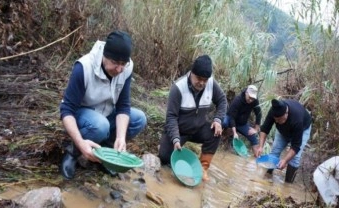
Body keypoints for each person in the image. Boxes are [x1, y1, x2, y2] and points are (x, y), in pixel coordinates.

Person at [59, 30, 147, 180]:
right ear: (104, 56)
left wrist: (120, 137)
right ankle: (72, 152)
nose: (119, 70)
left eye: (123, 64)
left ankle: (106, 153)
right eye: (115, 63)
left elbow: (123, 106)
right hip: (83, 113)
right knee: (101, 125)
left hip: (107, 113)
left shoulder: (126, 68)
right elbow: (66, 110)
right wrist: (80, 143)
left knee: (139, 119)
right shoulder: (84, 67)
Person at [158, 55, 227, 182]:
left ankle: (203, 168)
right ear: (191, 73)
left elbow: (222, 100)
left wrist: (218, 120)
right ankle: (173, 147)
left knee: (216, 132)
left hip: (198, 129)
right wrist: (175, 139)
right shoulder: (178, 87)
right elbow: (171, 117)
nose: (201, 83)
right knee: (164, 157)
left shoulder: (211, 83)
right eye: (199, 78)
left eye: (205, 80)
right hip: (180, 130)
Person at [256, 98, 312, 183]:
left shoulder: (297, 119)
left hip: (303, 129)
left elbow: (296, 146)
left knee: (295, 158)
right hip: (283, 131)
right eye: (276, 120)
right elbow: (264, 129)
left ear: (286, 113)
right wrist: (260, 147)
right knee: (274, 151)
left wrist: (285, 160)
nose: (277, 122)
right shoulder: (273, 111)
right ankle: (267, 178)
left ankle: (288, 184)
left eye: (280, 119)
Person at [222, 85, 262, 156]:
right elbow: (232, 117)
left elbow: (259, 113)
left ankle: (257, 159)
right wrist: (234, 132)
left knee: (253, 138)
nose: (251, 100)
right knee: (224, 123)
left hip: (242, 124)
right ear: (246, 93)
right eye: (249, 97)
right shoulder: (238, 100)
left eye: (253, 98)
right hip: (230, 118)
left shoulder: (255, 101)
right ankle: (223, 136)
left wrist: (256, 129)